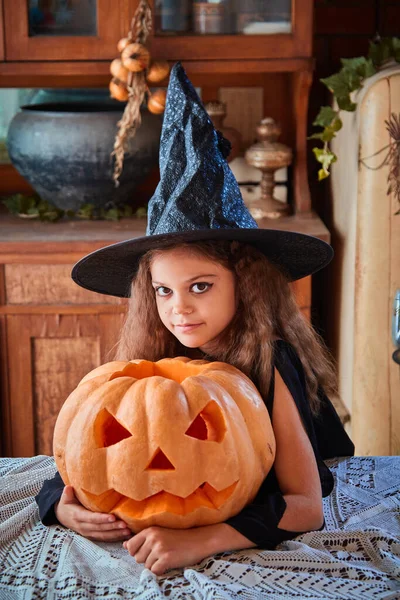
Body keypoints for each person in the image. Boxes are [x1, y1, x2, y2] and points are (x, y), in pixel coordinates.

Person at [35, 62, 354, 577]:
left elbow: (306, 505)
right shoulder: (153, 358)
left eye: (200, 287)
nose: (178, 307)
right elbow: (88, 450)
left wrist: (203, 539)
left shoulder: (272, 359)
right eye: (164, 290)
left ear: (245, 284)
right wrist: (66, 507)